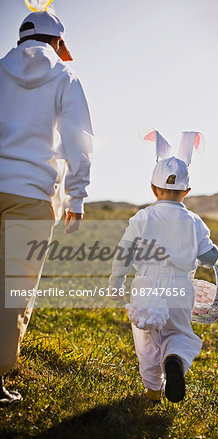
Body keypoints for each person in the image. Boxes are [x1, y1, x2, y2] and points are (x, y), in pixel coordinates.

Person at [0, 11, 93, 404]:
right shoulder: (64, 77)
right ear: (57, 43)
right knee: (13, 290)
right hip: (32, 193)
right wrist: (77, 196)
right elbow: (79, 141)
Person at [109, 147, 218, 404]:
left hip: (146, 284)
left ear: (152, 188)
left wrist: (116, 282)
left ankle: (152, 391)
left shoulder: (142, 217)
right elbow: (208, 258)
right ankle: (175, 358)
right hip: (180, 284)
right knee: (178, 332)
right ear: (187, 192)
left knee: (146, 339)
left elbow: (123, 252)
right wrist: (212, 252)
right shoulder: (194, 221)